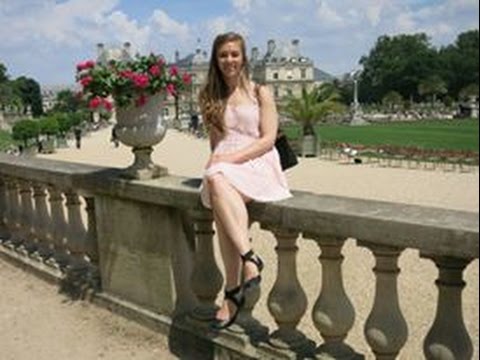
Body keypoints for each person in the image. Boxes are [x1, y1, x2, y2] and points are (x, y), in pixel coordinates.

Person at [199, 32, 292, 330]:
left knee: (216, 184)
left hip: (257, 161)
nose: (229, 60)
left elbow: (267, 140)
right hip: (224, 169)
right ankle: (247, 263)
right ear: (216, 59)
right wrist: (218, 160)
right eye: (223, 55)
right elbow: (216, 143)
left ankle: (233, 289)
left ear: (243, 58)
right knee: (220, 200)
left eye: (234, 54)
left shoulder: (260, 92)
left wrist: (226, 161)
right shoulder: (210, 97)